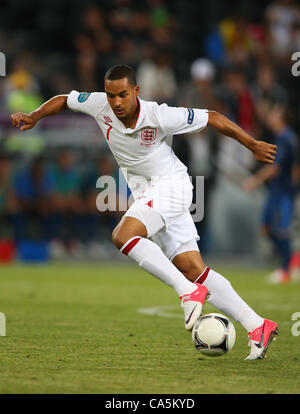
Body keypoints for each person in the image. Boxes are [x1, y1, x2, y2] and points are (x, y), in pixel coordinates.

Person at [11, 64, 278, 360]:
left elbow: (212, 117)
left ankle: (186, 292)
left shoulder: (158, 115)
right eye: (112, 96)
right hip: (150, 193)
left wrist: (252, 144)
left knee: (123, 236)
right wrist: (35, 115)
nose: (116, 102)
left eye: (123, 95)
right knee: (194, 269)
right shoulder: (100, 105)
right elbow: (64, 99)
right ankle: (258, 325)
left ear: (136, 91)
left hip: (173, 187)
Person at [243, 105, 298, 284]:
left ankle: (286, 269)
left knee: (282, 230)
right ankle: (290, 261)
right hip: (276, 190)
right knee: (266, 228)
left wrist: (255, 180)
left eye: (275, 113)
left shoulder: (287, 138)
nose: (271, 116)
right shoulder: (282, 138)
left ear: (281, 117)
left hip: (283, 192)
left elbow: (276, 168)